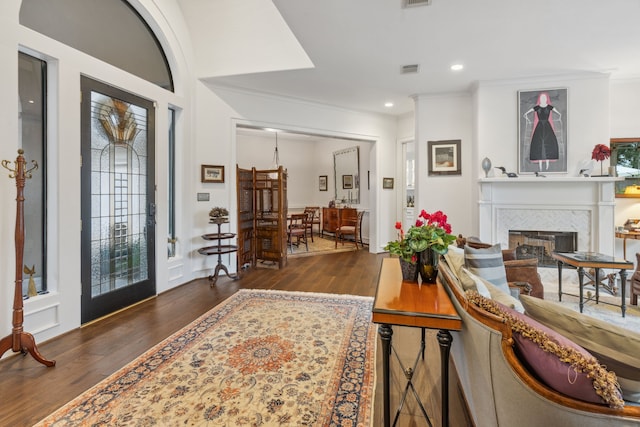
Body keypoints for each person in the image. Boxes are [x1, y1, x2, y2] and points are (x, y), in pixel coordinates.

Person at [523, 92, 561, 170]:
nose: (543, 99)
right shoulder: (537, 107)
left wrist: (559, 117)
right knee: (538, 143)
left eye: (544, 97)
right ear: (540, 99)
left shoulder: (549, 107)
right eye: (541, 97)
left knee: (548, 143)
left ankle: (547, 163)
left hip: (547, 126)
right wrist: (527, 119)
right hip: (539, 126)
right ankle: (540, 165)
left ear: (546, 99)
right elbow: (525, 114)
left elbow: (559, 113)